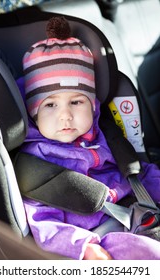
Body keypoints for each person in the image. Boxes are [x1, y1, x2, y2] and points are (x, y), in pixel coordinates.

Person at [19, 16, 160, 260]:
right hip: (95, 236)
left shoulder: (105, 135)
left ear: (93, 106)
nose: (65, 115)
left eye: (76, 102)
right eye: (50, 104)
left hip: (136, 215)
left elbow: (140, 174)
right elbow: (41, 221)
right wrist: (83, 247)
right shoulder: (36, 163)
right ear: (34, 113)